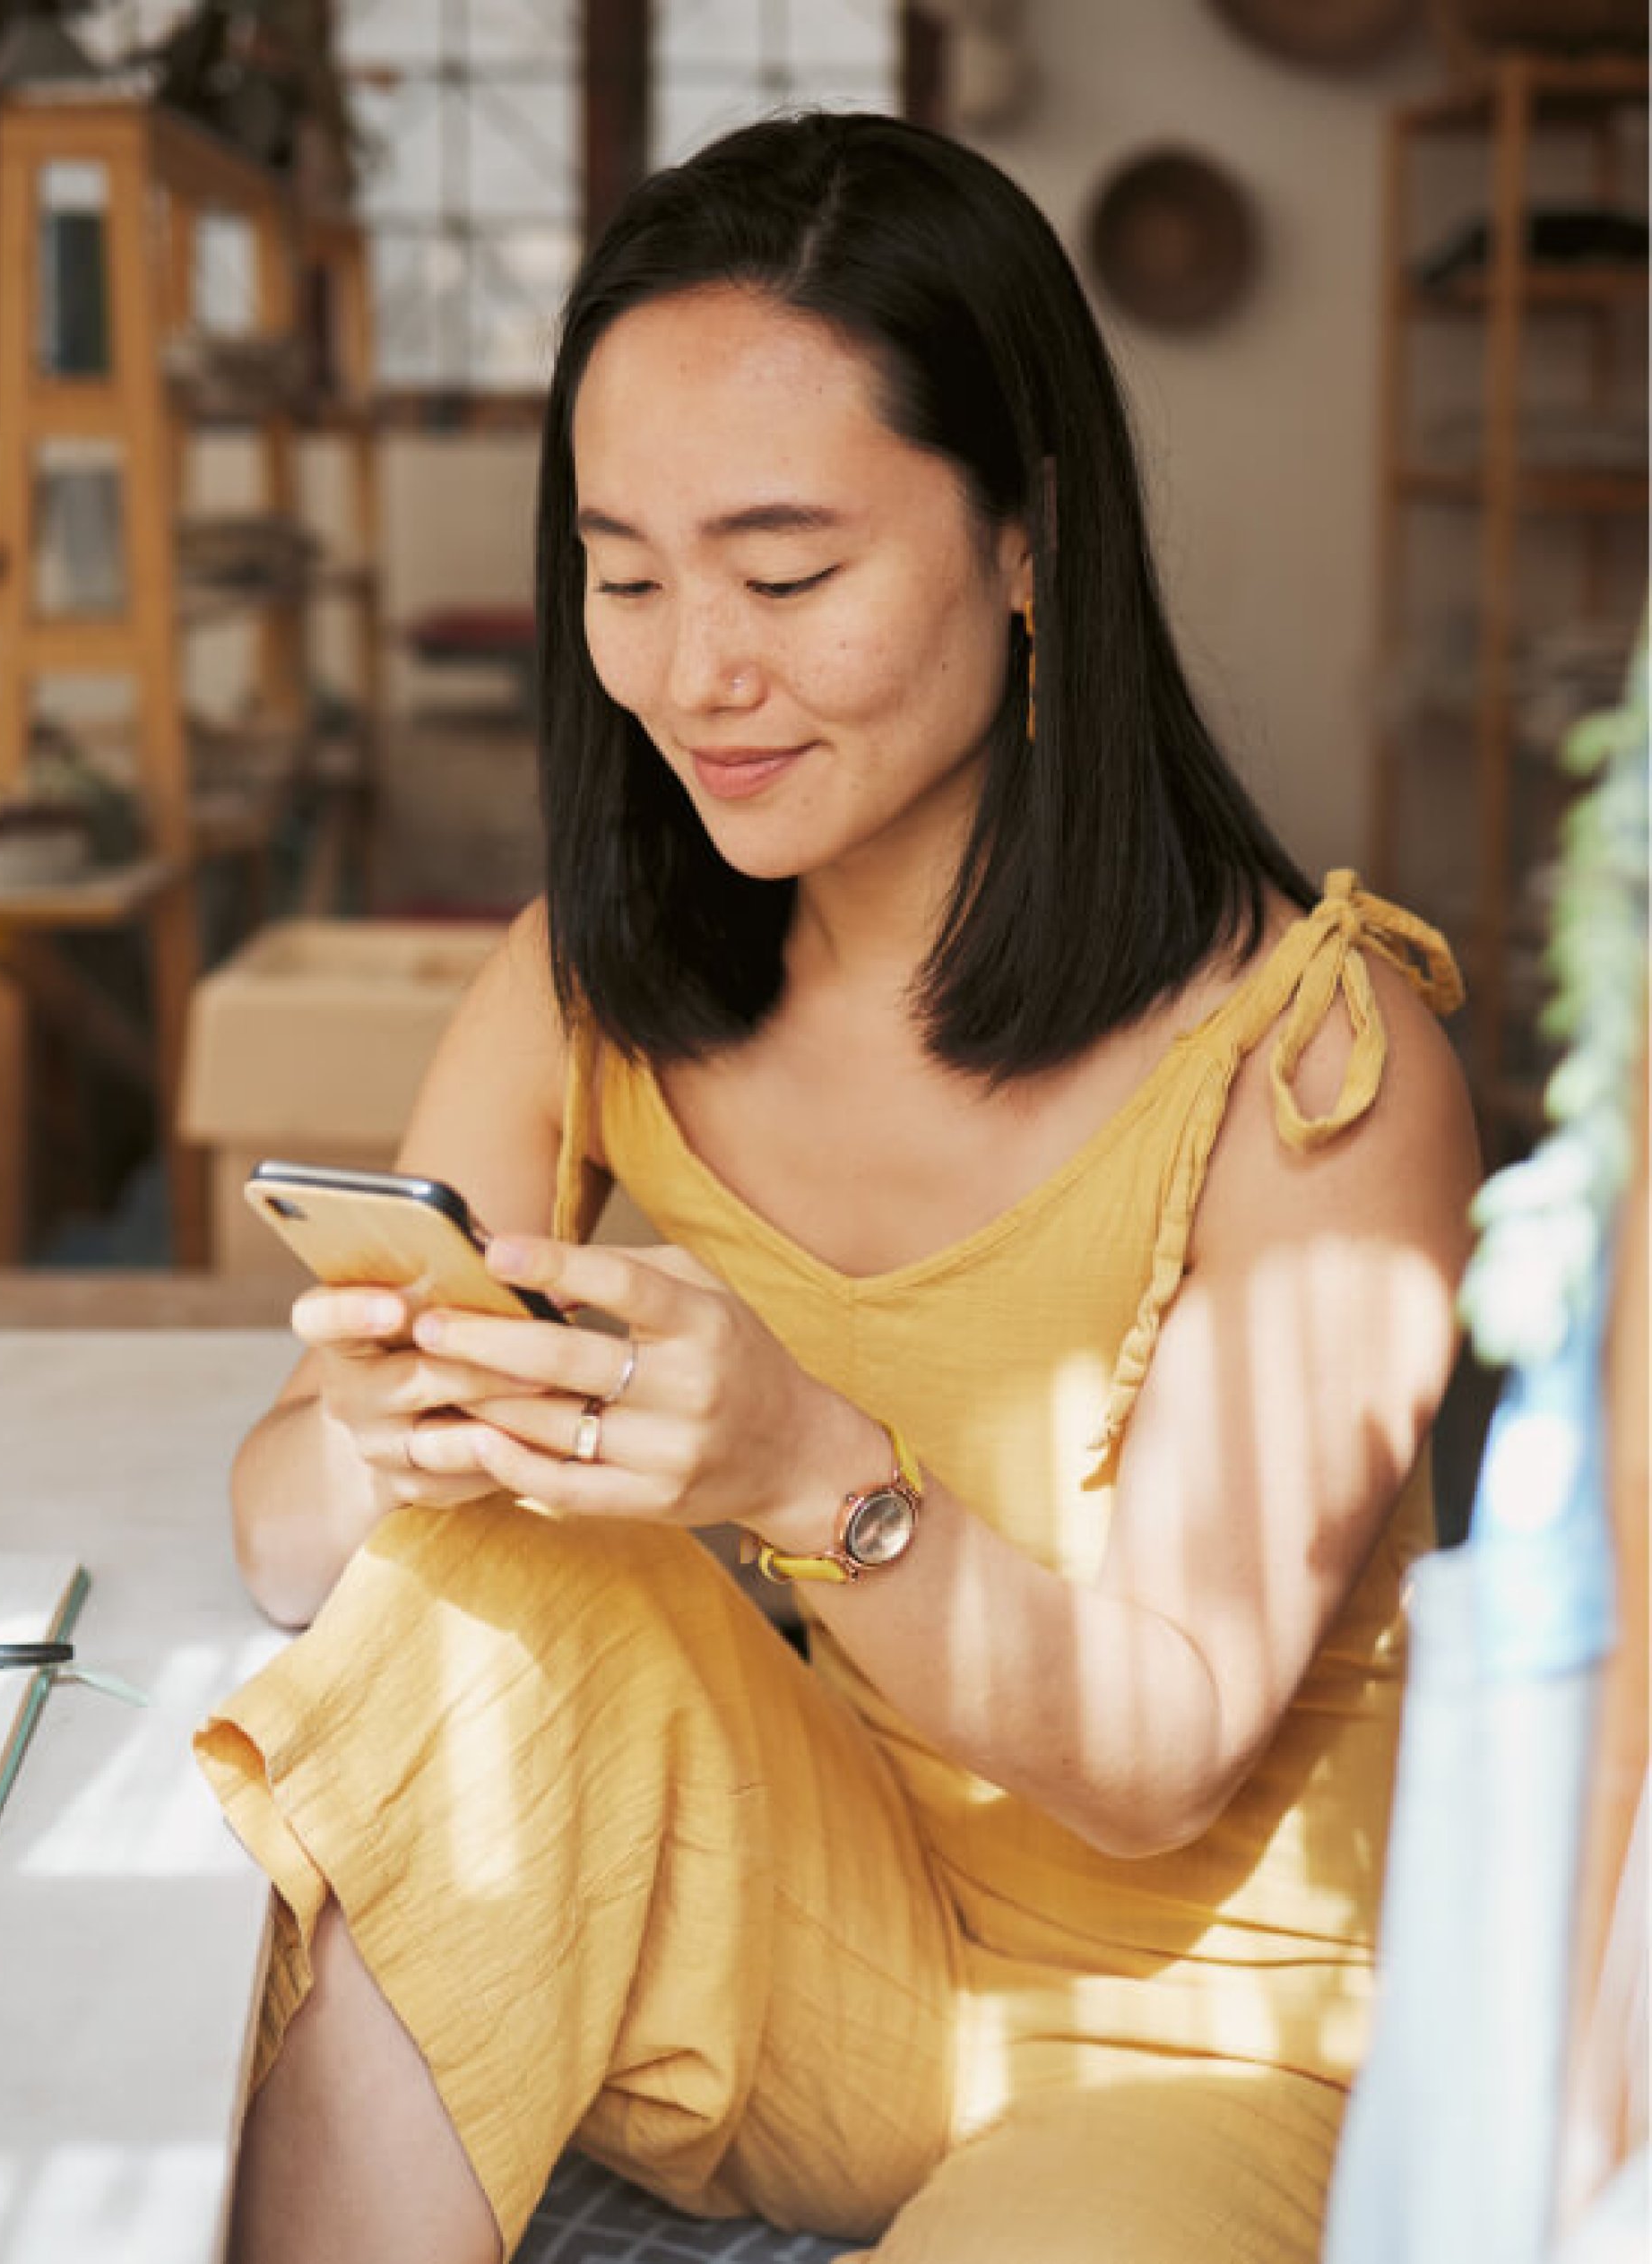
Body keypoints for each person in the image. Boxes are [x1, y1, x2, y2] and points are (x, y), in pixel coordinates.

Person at [195, 108, 1480, 2264]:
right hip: (830, 1962)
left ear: (1020, 544)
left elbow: (1163, 1747)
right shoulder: (590, 978)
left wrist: (808, 1466)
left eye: (786, 575)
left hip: (1207, 2047)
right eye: (625, 577)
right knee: (492, 1574)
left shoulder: (1320, 1063)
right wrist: (387, 1438)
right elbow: (281, 1533)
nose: (698, 671)